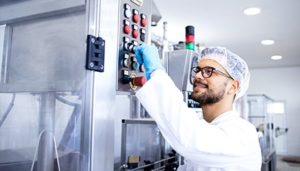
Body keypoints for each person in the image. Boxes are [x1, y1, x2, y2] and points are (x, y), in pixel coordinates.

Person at [134, 44, 262, 171]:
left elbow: (190, 139)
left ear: (233, 86)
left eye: (209, 71)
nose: (198, 76)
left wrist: (157, 73)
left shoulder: (243, 134)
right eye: (198, 70)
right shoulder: (206, 125)